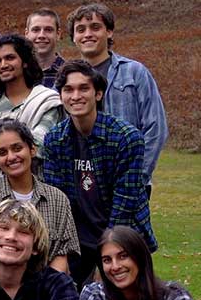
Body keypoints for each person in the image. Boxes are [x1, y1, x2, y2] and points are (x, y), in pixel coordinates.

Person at [42, 61, 155, 283]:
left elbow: (125, 205)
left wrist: (107, 260)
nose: (76, 96)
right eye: (68, 89)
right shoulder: (55, 140)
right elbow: (57, 202)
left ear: (98, 94)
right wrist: (61, 252)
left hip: (123, 235)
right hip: (78, 240)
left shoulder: (126, 138)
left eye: (84, 88)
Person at [67, 3, 167, 182]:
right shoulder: (67, 80)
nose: (88, 34)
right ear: (74, 37)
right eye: (80, 29)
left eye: (95, 27)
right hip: (85, 185)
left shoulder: (134, 72)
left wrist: (137, 176)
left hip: (130, 181)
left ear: (109, 32)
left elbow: (156, 128)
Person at [0, 120, 79, 274]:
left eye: (17, 148)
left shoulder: (57, 199)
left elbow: (62, 257)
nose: (11, 157)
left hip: (49, 288)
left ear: (32, 149)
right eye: (2, 152)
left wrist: (48, 292)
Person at [0, 34, 63, 149]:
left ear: (25, 62)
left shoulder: (46, 102)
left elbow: (38, 146)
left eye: (10, 58)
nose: (3, 65)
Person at [26, 8, 65, 89]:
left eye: (48, 30)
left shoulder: (69, 72)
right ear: (27, 34)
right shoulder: (17, 72)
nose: (41, 35)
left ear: (58, 34)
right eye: (36, 30)